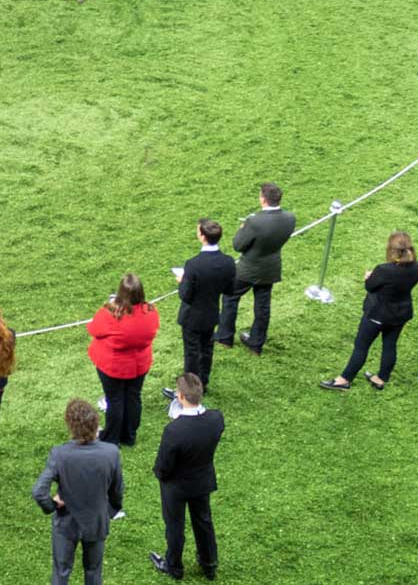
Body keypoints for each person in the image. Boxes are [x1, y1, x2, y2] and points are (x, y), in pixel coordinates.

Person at [33, 398, 125, 585]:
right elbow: (117, 491)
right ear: (96, 424)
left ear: (70, 425)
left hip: (66, 522)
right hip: (96, 521)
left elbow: (39, 491)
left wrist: (52, 505)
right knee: (93, 572)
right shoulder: (111, 452)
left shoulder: (59, 454)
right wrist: (110, 511)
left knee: (61, 572)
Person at [321, 231, 418, 391]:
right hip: (400, 314)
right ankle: (381, 378)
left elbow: (370, 287)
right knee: (390, 345)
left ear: (391, 249)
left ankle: (344, 380)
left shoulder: (384, 269)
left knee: (361, 346)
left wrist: (369, 277)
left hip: (378, 314)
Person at [150, 373, 224, 582]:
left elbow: (163, 465)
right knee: (203, 521)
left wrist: (161, 475)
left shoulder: (174, 430)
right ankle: (209, 563)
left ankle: (174, 566)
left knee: (175, 525)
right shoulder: (216, 419)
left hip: (176, 486)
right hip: (202, 480)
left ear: (180, 396)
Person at [215, 182, 295, 356]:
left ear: (263, 199)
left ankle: (224, 337)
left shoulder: (254, 221)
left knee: (230, 297)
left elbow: (238, 245)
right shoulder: (290, 218)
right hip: (271, 268)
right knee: (263, 305)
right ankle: (256, 344)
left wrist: (242, 228)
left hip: (248, 268)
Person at [87, 274, 158, 446]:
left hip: (113, 366)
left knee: (115, 400)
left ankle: (112, 438)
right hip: (138, 364)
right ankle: (129, 435)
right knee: (133, 397)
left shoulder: (111, 314)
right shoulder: (150, 311)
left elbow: (93, 329)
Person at [169, 218, 233, 397]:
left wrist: (182, 281)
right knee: (207, 349)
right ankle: (203, 382)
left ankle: (190, 390)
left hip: (192, 316)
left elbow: (185, 295)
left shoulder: (194, 264)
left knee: (192, 352)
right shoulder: (228, 262)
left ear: (203, 237)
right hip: (211, 313)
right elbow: (229, 289)